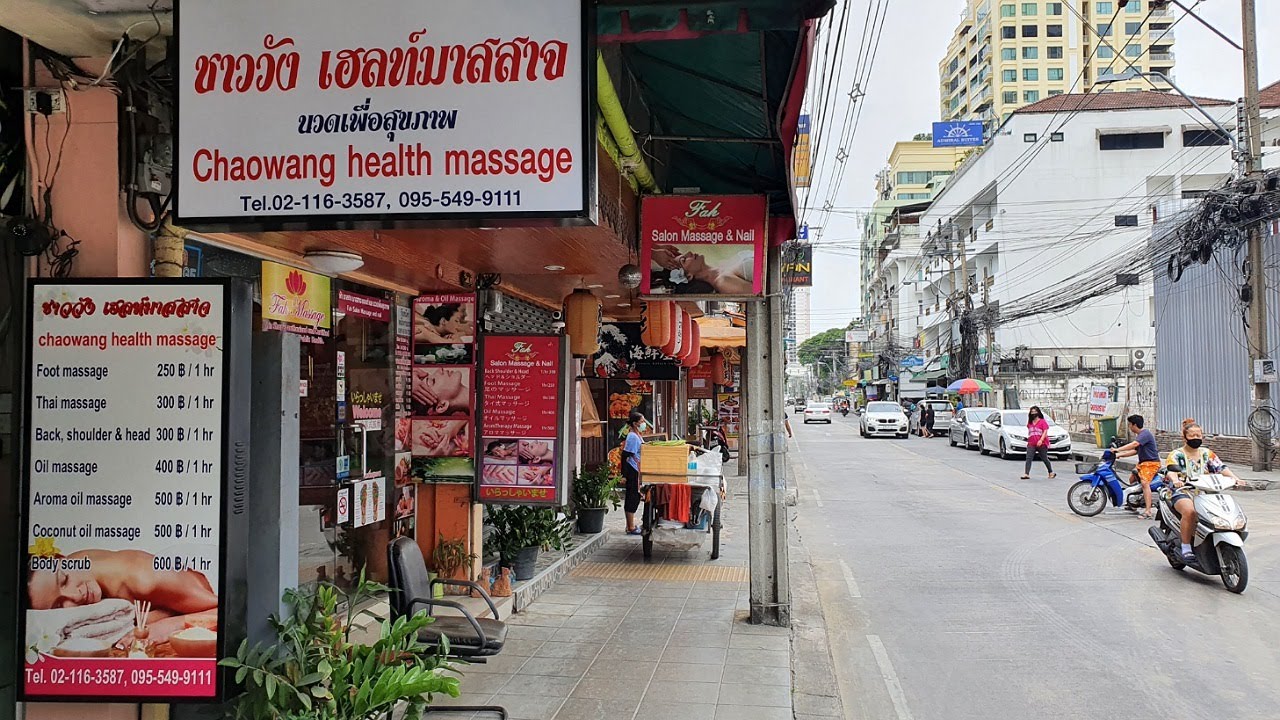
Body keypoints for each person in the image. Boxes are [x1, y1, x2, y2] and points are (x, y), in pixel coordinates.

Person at [27, 549, 218, 642]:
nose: (75, 596)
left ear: (62, 559)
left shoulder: (143, 579)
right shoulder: (77, 563)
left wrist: (166, 626)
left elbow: (227, 610)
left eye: (64, 580)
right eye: (59, 606)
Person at [1165, 418, 1236, 563]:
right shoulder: (1176, 454)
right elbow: (1170, 471)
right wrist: (1176, 480)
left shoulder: (1207, 453)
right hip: (1182, 491)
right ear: (1184, 437)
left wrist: (1236, 478)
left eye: (1199, 435)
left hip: (1205, 492)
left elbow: (1221, 468)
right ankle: (1186, 547)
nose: (1196, 438)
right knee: (1190, 512)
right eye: (1192, 436)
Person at [1114, 414, 1161, 519]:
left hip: (1151, 463)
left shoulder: (1145, 434)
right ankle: (1134, 503)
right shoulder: (1141, 435)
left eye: (1130, 424)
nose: (1129, 427)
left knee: (1145, 483)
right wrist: (1119, 455)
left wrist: (1118, 450)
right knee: (1132, 479)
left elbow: (1134, 445)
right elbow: (1135, 451)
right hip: (1143, 464)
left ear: (1134, 425)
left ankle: (1148, 510)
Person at [620, 411, 647, 535]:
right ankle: (630, 526)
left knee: (634, 496)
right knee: (633, 497)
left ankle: (629, 525)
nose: (644, 424)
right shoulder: (632, 437)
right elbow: (625, 455)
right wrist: (624, 475)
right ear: (635, 424)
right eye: (641, 422)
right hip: (632, 470)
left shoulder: (637, 435)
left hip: (637, 469)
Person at [1020, 406, 1056, 479]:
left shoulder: (1042, 421)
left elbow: (1045, 431)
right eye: (1032, 412)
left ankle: (1051, 472)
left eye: (1035, 412)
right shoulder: (1029, 423)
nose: (1033, 413)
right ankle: (1026, 474)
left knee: (1044, 458)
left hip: (1042, 443)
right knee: (1028, 458)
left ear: (1038, 412)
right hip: (1031, 443)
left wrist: (1041, 440)